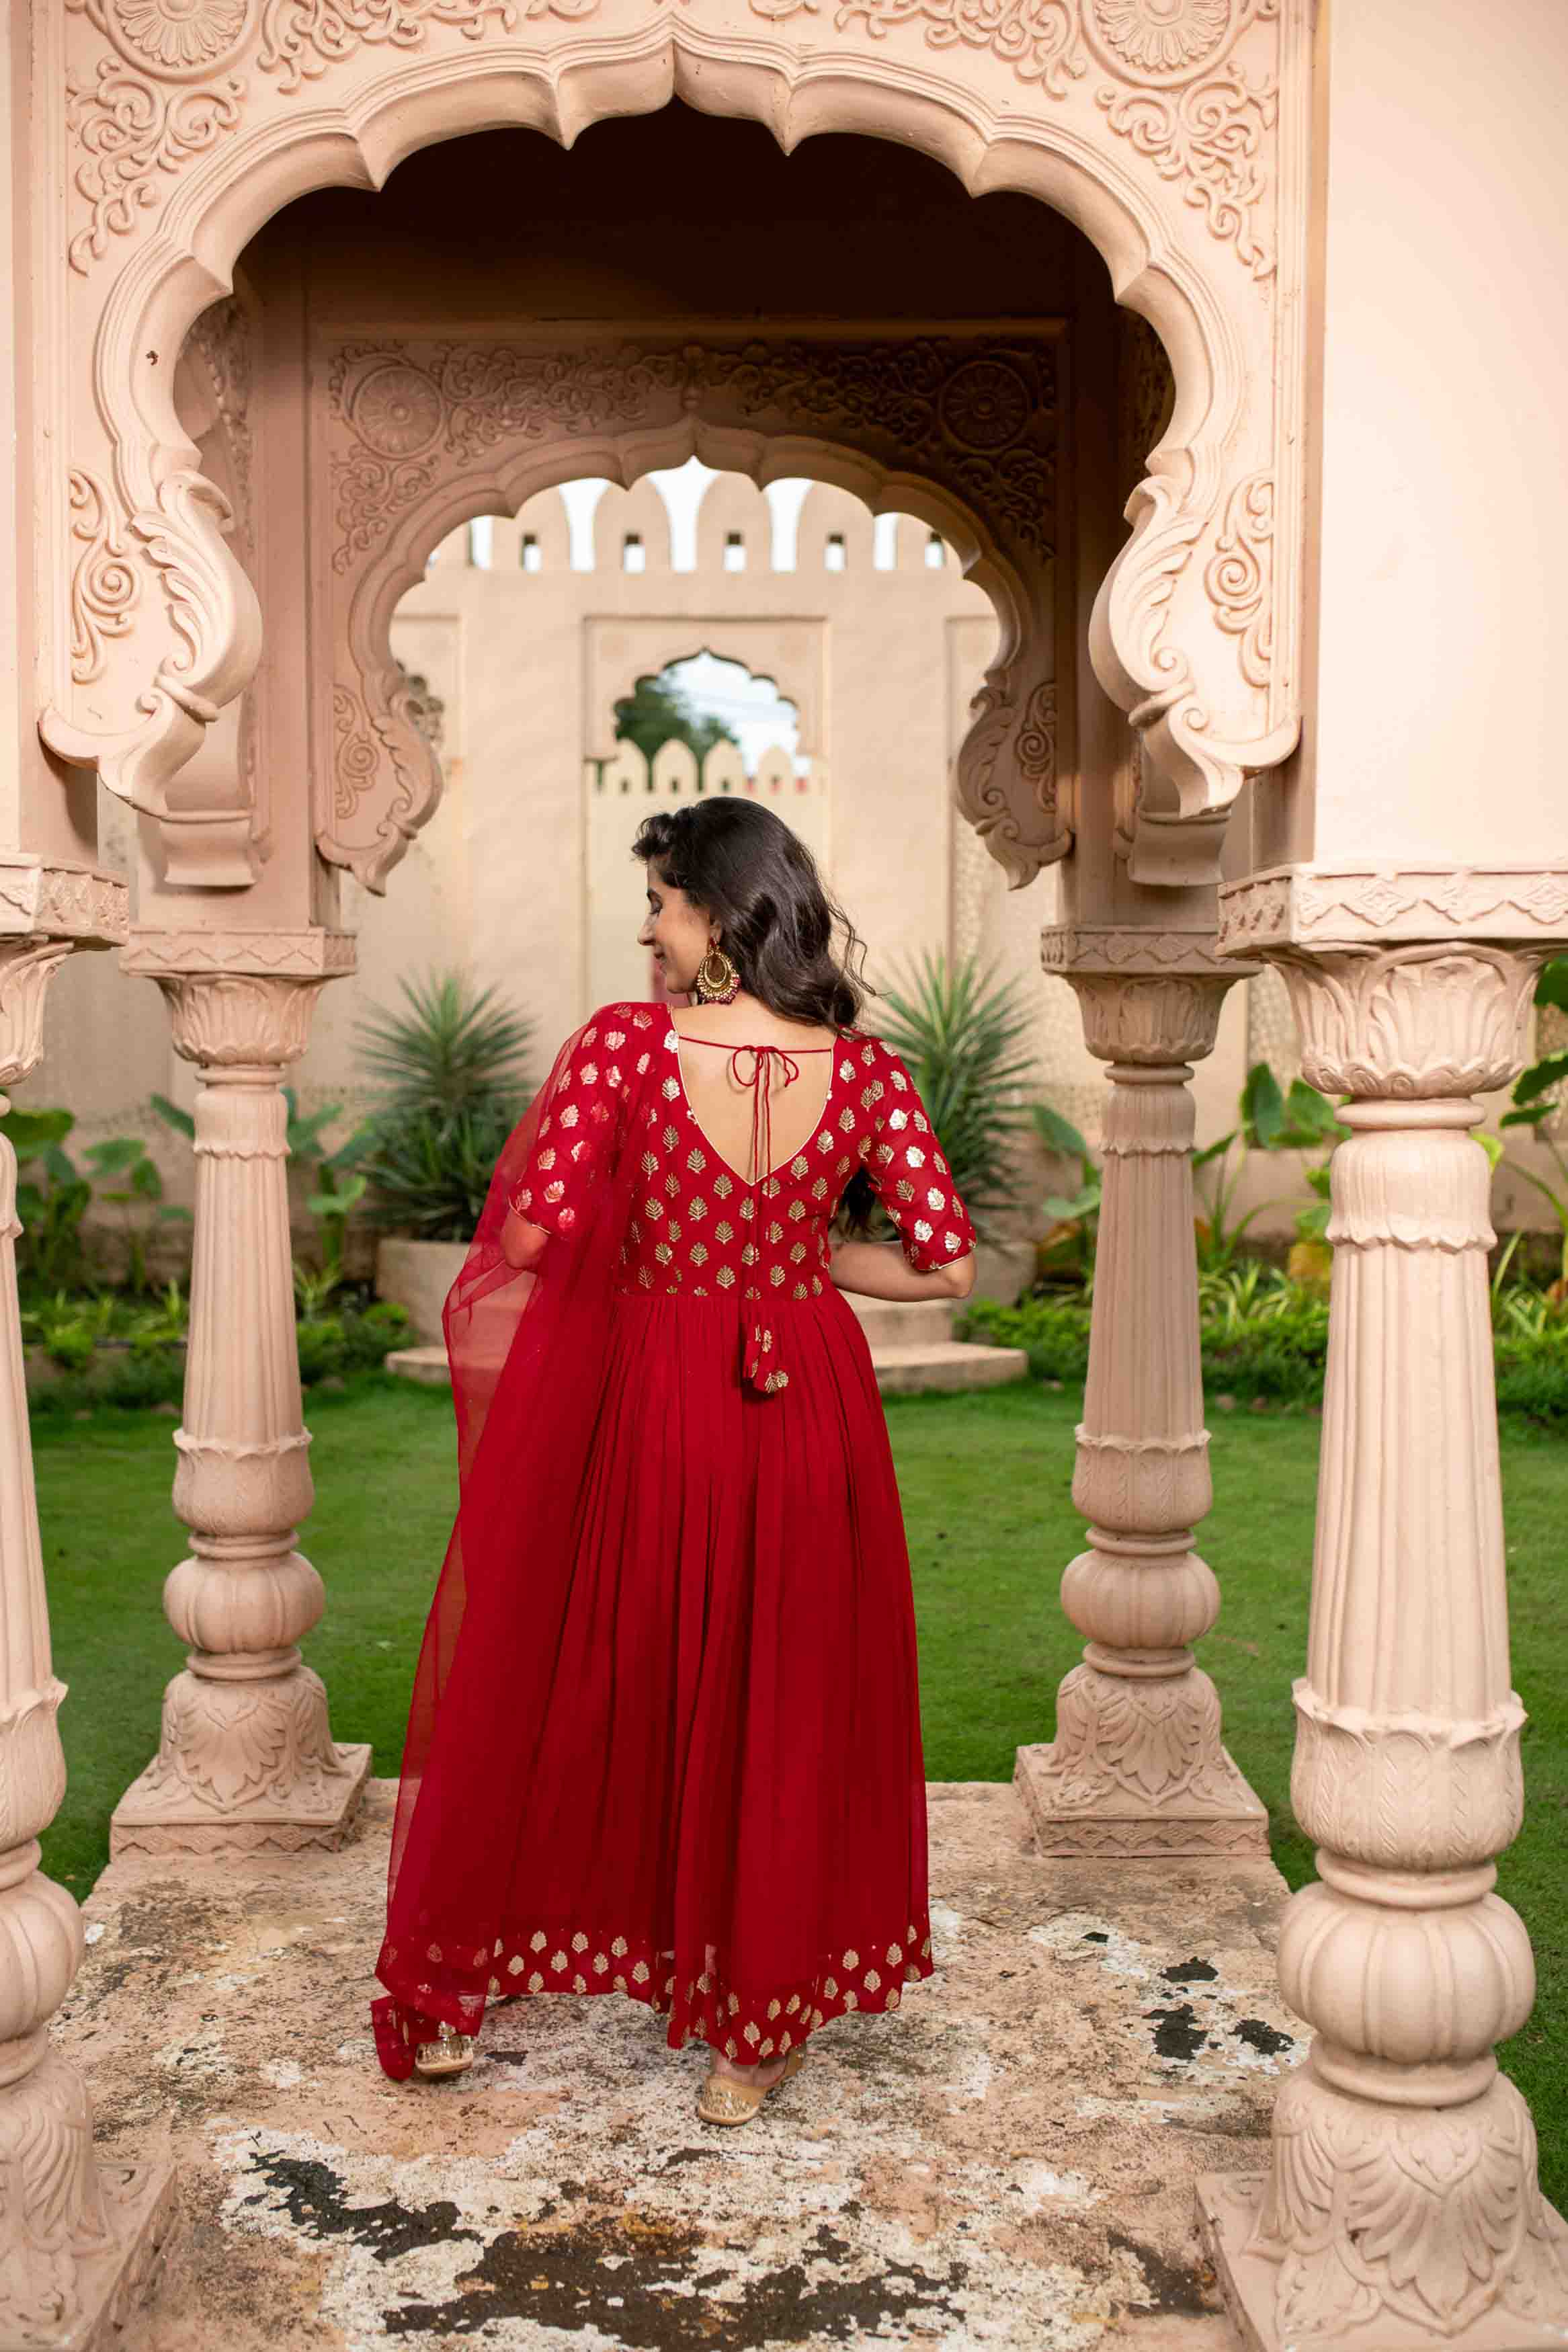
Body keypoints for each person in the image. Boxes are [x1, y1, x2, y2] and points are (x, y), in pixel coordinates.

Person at [370, 796, 978, 2124]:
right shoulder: (866, 1074)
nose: (648, 928)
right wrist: (802, 1257)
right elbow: (945, 1263)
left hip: (658, 1394)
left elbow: (529, 1241)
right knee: (787, 1688)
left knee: (623, 1667)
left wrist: (649, 1251)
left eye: (662, 903)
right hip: (810, 1396)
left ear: (716, 918)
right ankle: (751, 2042)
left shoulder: (626, 1054)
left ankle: (613, 1948)